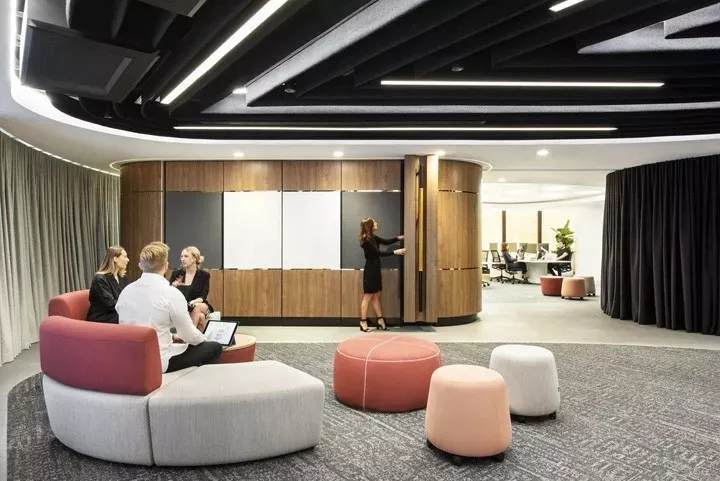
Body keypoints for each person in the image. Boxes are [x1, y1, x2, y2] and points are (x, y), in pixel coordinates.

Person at [116, 242, 222, 373]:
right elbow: (188, 335)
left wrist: (172, 337)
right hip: (158, 362)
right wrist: (205, 340)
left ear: (140, 265)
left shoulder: (126, 291)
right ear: (166, 266)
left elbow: (137, 324)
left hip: (129, 358)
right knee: (214, 347)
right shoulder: (171, 293)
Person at [359, 217, 405, 332]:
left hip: (375, 269)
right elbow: (378, 253)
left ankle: (380, 320)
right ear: (370, 226)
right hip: (370, 271)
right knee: (367, 297)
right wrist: (395, 252)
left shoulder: (373, 237)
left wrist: (399, 238)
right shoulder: (366, 240)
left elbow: (386, 241)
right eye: (374, 222)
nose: (377, 223)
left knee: (376, 296)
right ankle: (363, 322)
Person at [169, 246, 212, 331]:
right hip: (182, 306)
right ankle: (198, 337)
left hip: (199, 304)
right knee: (201, 317)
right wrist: (173, 287)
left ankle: (188, 334)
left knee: (196, 307)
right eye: (181, 256)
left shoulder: (204, 275)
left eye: (186, 256)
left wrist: (192, 303)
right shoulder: (176, 274)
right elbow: (169, 293)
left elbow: (203, 296)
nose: (182, 259)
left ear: (194, 259)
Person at [87, 246, 130, 323]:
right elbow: (110, 304)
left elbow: (129, 295)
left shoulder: (122, 277)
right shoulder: (100, 279)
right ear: (115, 259)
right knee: (133, 316)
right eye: (125, 257)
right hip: (102, 316)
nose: (128, 259)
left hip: (116, 312)